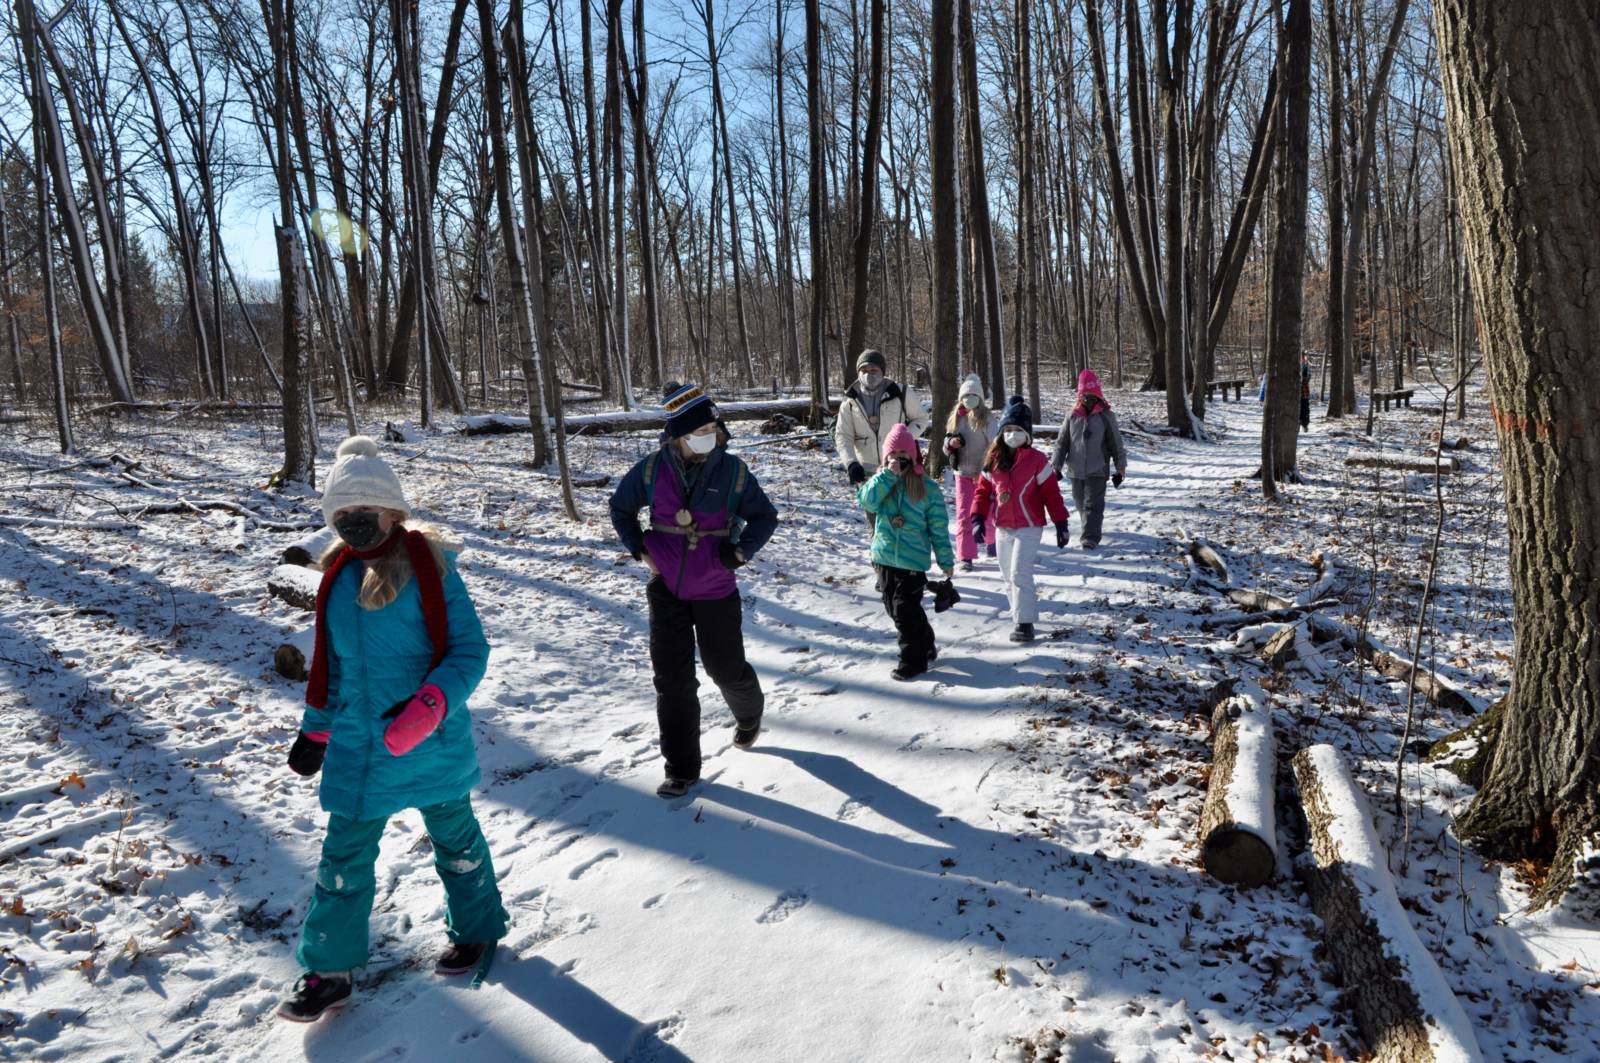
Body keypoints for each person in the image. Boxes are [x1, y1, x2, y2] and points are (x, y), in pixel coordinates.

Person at [278, 436, 505, 1023]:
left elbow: (468, 651)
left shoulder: (433, 568)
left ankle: (478, 929)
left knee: (456, 844)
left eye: (364, 513)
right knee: (342, 860)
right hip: (359, 744)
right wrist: (315, 731)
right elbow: (332, 668)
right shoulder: (336, 583)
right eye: (342, 516)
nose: (354, 525)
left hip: (429, 738)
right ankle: (329, 970)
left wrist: (427, 708)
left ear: (393, 512)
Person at [610, 383, 780, 798]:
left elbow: (764, 517)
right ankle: (681, 770)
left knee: (724, 668)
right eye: (700, 429)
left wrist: (738, 554)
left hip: (716, 587)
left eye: (712, 426)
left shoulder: (733, 471)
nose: (711, 433)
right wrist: (640, 549)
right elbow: (620, 508)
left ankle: (749, 712)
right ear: (678, 435)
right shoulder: (651, 470)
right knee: (672, 679)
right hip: (665, 586)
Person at [858, 422, 955, 680]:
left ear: (912, 457)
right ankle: (925, 642)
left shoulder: (927, 489)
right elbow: (865, 500)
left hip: (912, 561)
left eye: (904, 457)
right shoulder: (881, 482)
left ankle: (914, 660)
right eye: (893, 456)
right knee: (894, 608)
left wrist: (945, 559)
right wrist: (887, 475)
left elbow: (938, 528)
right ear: (885, 457)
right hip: (884, 557)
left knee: (904, 610)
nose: (898, 461)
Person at [973, 397, 1070, 643]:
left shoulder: (1037, 461)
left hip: (1029, 525)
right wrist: (977, 518)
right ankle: (1019, 617)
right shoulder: (993, 460)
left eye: (1017, 430)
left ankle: (1026, 624)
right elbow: (983, 493)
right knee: (1007, 574)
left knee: (1019, 573)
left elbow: (1051, 494)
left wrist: (1061, 524)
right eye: (1008, 430)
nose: (1012, 435)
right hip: (1003, 526)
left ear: (1026, 434)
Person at [1050, 369, 1128, 550]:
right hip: (1075, 470)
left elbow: (1116, 443)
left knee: (1093, 505)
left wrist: (1120, 467)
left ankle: (1090, 537)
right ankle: (1090, 525)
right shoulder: (1072, 415)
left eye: (1092, 393)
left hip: (1098, 469)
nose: (1088, 397)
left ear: (1098, 393)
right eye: (1084, 393)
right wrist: (1056, 465)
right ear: (1079, 393)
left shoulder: (1106, 416)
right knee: (1080, 502)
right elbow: (1062, 442)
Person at [835, 348, 929, 491]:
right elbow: (843, 435)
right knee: (872, 512)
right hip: (867, 472)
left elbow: (921, 419)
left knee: (903, 512)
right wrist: (851, 463)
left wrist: (902, 441)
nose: (869, 374)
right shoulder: (849, 400)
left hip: (900, 467)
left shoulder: (900, 392)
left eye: (874, 370)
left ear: (882, 371)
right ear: (858, 372)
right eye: (864, 370)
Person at [942, 374, 998, 571]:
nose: (969, 399)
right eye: (966, 395)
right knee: (964, 515)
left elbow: (995, 446)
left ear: (980, 399)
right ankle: (966, 555)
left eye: (973, 395)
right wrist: (951, 443)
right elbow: (945, 445)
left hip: (984, 475)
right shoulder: (956, 418)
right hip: (962, 475)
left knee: (988, 512)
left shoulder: (987, 419)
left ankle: (992, 543)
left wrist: (983, 470)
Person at [1299, 351, 1313, 430]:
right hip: (1297, 391)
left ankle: (1305, 423)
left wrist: (1306, 378)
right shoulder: (1296, 364)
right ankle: (1300, 421)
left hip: (1304, 391)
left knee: (1305, 407)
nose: (1304, 358)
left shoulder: (1306, 365)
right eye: (1303, 356)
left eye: (1305, 356)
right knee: (1300, 407)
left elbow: (1309, 376)